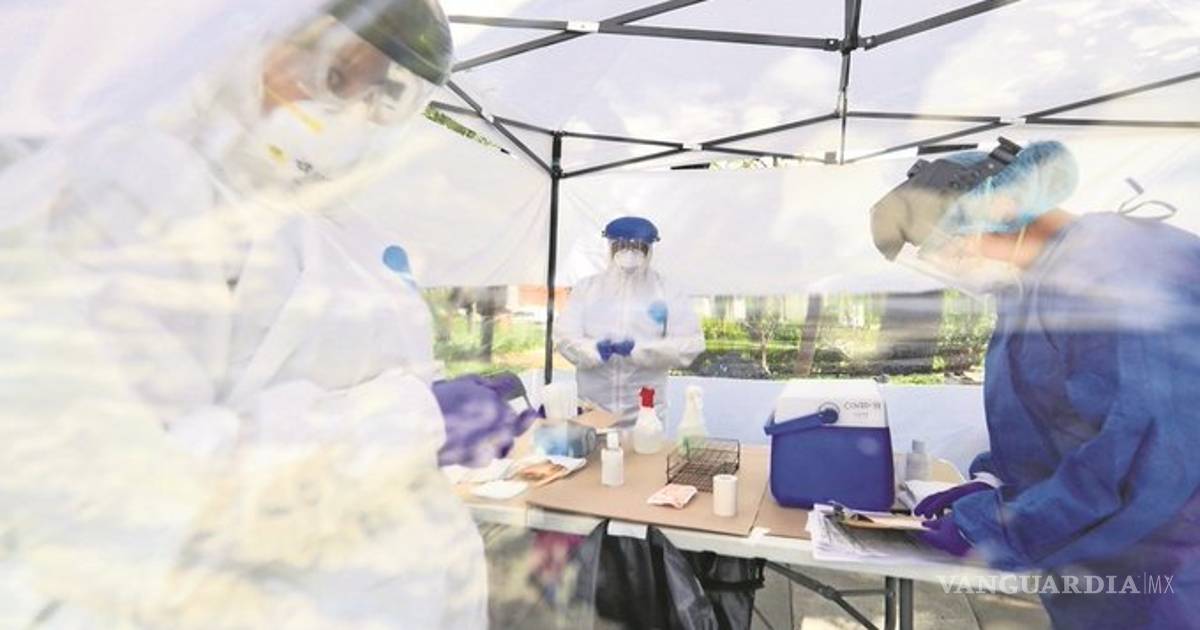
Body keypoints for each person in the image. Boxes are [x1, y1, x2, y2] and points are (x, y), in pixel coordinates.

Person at [0, 0, 529, 626]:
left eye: (377, 96)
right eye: (333, 73)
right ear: (248, 33)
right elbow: (124, 497)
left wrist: (438, 408)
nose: (346, 114)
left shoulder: (322, 220)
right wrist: (419, 423)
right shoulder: (132, 189)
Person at [870, 137, 1200, 629]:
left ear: (1000, 209)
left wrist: (1001, 527)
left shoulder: (1114, 270)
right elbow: (1041, 422)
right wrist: (991, 486)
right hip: (1093, 569)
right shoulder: (1036, 284)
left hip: (1163, 573)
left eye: (953, 245)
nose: (955, 262)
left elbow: (1142, 454)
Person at [555, 216, 705, 422]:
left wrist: (640, 350)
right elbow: (564, 337)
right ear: (609, 247)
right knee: (592, 443)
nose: (629, 253)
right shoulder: (587, 289)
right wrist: (594, 350)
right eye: (621, 245)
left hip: (646, 413)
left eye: (638, 246)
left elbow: (690, 344)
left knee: (646, 444)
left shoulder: (666, 291)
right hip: (593, 409)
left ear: (650, 249)